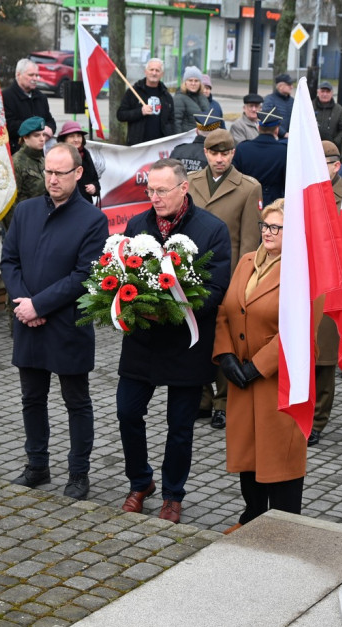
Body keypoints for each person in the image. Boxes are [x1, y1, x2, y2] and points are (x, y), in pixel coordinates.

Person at [116, 158, 231, 523]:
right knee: (127, 411)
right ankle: (140, 481)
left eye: (161, 190)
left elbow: (216, 287)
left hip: (186, 344)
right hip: (144, 342)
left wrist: (174, 311)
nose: (154, 198)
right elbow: (120, 274)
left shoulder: (212, 229)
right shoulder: (137, 225)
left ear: (184, 188)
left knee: (180, 426)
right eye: (149, 190)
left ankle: (172, 495)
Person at [1, 144, 109, 500]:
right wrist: (24, 304)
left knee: (76, 401)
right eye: (48, 171)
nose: (52, 179)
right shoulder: (26, 211)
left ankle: (78, 473)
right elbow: (10, 261)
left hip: (67, 326)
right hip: (27, 322)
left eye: (60, 173)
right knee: (32, 398)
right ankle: (37, 465)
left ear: (78, 174)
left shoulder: (93, 219)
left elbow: (83, 275)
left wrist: (40, 305)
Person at [213, 199, 320, 532]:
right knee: (249, 454)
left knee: (281, 458)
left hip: (279, 382)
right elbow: (226, 311)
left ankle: (284, 529)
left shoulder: (304, 271)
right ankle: (252, 518)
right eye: (265, 225)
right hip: (242, 381)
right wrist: (226, 355)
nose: (268, 232)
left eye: (277, 227)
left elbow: (300, 331)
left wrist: (257, 367)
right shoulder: (247, 261)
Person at [188, 128, 263, 430]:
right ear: (205, 153)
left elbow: (249, 241)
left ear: (233, 154)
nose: (219, 159)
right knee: (195, 337)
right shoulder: (190, 182)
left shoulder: (248, 187)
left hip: (228, 274)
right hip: (192, 274)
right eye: (214, 153)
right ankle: (202, 398)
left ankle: (223, 402)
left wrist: (242, 281)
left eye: (225, 153)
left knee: (225, 339)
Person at [309, 142, 342, 446]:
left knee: (324, 360)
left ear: (336, 166)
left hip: (331, 287)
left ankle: (318, 419)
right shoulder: (303, 191)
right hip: (303, 283)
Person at [233, 107, 287, 206]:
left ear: (258, 127)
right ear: (277, 129)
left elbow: (234, 177)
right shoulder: (283, 151)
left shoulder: (242, 149)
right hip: (273, 203)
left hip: (246, 200)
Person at [116, 58, 176, 145]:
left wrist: (169, 135)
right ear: (146, 71)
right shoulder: (133, 92)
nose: (154, 73)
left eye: (157, 70)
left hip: (160, 145)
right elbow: (121, 115)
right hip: (138, 145)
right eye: (151, 69)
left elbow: (171, 120)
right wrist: (140, 111)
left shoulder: (166, 96)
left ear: (161, 74)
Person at [3, 58, 56, 151]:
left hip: (39, 154)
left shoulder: (41, 97)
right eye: (31, 75)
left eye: (37, 75)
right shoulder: (6, 97)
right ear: (18, 75)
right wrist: (36, 129)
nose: (35, 78)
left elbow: (49, 120)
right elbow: (9, 126)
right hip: (16, 152)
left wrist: (50, 129)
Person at [4, 117, 48, 226]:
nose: (42, 139)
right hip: (25, 222)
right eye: (37, 135)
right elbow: (9, 203)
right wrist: (17, 229)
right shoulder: (16, 163)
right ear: (25, 138)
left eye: (43, 134)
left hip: (43, 219)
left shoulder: (42, 160)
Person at [57, 120, 100, 204]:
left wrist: (94, 187)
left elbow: (95, 179)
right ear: (64, 139)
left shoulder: (86, 154)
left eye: (79, 136)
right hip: (66, 204)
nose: (76, 139)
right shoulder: (59, 155)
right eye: (72, 136)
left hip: (86, 204)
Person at [173, 66, 210, 133]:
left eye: (196, 81)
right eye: (190, 80)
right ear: (185, 82)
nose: (193, 83)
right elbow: (176, 122)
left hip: (202, 138)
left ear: (200, 83)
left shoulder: (203, 98)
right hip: (187, 139)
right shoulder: (179, 98)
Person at [314, 81, 342, 152]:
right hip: (313, 148)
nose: (325, 94)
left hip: (333, 150)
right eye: (322, 91)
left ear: (332, 93)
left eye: (327, 92)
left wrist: (334, 143)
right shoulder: (310, 107)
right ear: (318, 92)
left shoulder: (339, 109)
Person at [262, 73, 294, 138]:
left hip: (292, 139)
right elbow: (269, 118)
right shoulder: (269, 100)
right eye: (289, 85)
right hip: (275, 139)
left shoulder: (293, 101)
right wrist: (284, 134)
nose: (292, 87)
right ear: (280, 86)